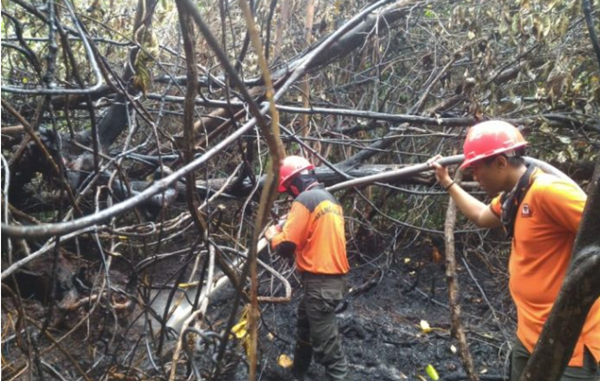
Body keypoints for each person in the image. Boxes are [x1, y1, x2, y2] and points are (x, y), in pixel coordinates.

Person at [429, 120, 600, 380]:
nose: (475, 177)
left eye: (477, 170)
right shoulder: (515, 195)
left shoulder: (549, 191)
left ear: (500, 163)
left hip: (571, 343)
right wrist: (448, 183)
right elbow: (482, 216)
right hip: (530, 333)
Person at [265, 155, 350, 381]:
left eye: (289, 189)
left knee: (327, 347)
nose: (290, 194)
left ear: (293, 183)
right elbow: (310, 236)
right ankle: (298, 372)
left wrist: (273, 235)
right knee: (305, 325)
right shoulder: (329, 200)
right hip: (332, 281)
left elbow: (286, 246)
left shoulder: (304, 199)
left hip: (321, 283)